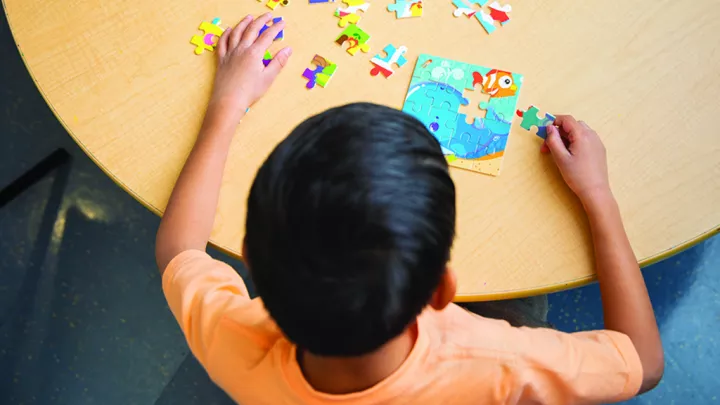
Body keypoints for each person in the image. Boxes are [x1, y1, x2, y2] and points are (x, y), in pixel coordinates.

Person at [155, 13, 664, 404]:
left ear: (248, 257)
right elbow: (643, 362)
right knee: (524, 295)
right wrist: (598, 196)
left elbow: (178, 249)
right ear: (443, 288)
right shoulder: (501, 361)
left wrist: (227, 106)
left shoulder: (235, 340)